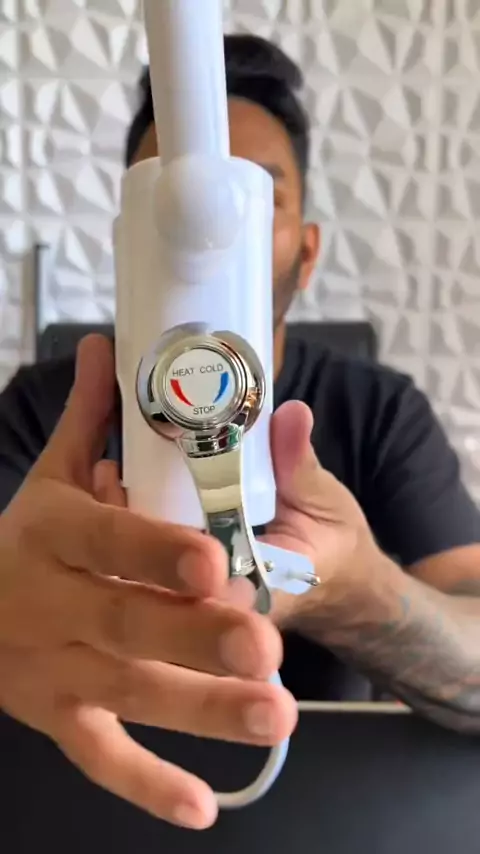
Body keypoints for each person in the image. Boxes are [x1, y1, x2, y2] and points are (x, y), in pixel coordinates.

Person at [1, 33, 480, 831]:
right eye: (166, 202)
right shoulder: (38, 411)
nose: (207, 225)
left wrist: (354, 592)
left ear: (308, 251)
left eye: (261, 194)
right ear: (125, 244)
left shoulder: (381, 412)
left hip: (328, 814)